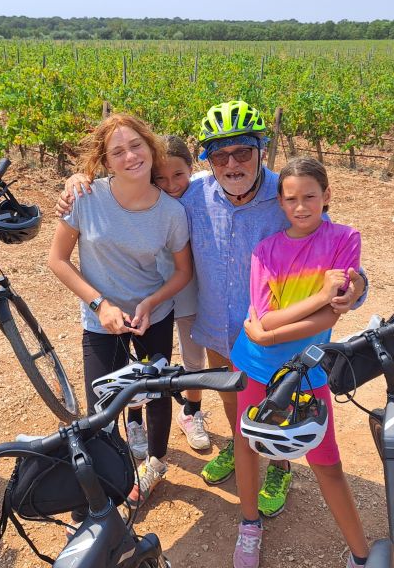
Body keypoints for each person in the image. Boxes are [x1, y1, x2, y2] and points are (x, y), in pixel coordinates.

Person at [55, 100, 367, 519]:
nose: (232, 163)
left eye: (243, 152)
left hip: (275, 335)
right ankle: (242, 447)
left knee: (281, 400)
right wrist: (81, 179)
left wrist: (358, 287)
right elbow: (139, 187)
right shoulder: (192, 195)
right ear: (208, 160)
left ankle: (278, 465)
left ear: (261, 150)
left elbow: (334, 245)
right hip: (218, 325)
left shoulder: (284, 193)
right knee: (230, 395)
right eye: (220, 155)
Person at [47, 113, 192, 507]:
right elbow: (57, 260)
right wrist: (100, 303)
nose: (130, 156)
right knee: (101, 405)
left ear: (151, 147)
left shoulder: (171, 213)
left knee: (157, 395)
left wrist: (151, 302)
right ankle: (111, 475)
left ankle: (155, 466)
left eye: (136, 145)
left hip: (152, 318)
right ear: (106, 161)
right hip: (100, 321)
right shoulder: (85, 198)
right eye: (118, 151)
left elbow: (182, 272)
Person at [230, 157, 369, 568]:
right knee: (247, 444)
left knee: (326, 462)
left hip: (308, 369)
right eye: (291, 199)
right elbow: (267, 316)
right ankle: (249, 525)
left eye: (311, 196)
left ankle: (361, 555)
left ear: (326, 196)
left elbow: (331, 317)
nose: (302, 206)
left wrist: (273, 331)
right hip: (254, 364)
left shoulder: (346, 238)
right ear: (281, 203)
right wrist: (321, 295)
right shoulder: (266, 250)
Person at [125, 135, 213, 456]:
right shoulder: (139, 197)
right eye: (160, 177)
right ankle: (135, 418)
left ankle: (191, 412)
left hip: (189, 289)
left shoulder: (205, 188)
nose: (170, 183)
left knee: (194, 356)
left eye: (178, 175)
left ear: (192, 169)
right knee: (145, 359)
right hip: (149, 289)